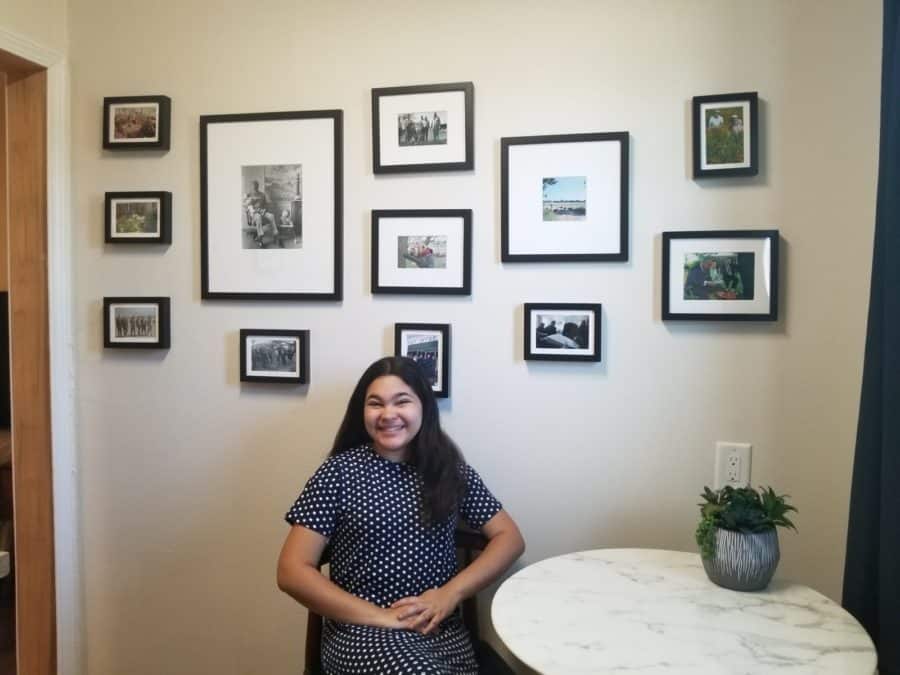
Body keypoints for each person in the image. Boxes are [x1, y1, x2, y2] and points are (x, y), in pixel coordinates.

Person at [277, 357, 525, 674]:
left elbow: (510, 539)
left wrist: (450, 595)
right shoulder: (338, 472)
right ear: (361, 412)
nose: (388, 414)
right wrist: (383, 617)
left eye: (402, 401)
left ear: (423, 407)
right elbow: (291, 570)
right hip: (360, 631)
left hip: (439, 632)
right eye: (375, 404)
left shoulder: (449, 471)